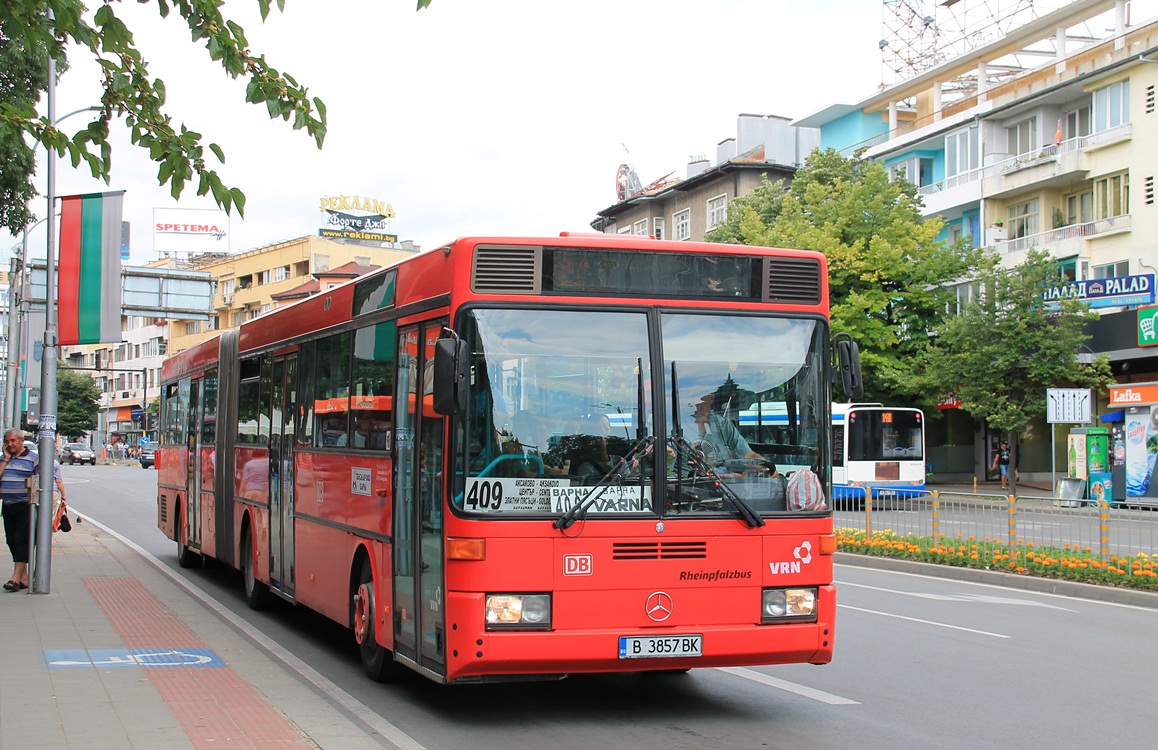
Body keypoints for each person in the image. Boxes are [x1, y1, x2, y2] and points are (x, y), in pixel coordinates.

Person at [1, 428, 38, 591]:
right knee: (11, 540)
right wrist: (5, 460)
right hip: (8, 504)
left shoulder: (33, 458)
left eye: (13, 441)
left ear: (21, 441)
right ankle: (24, 578)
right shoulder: (4, 459)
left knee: (21, 540)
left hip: (26, 505)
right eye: (7, 441)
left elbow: (40, 481)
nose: (10, 444)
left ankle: (15, 578)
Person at [689, 394, 762, 464]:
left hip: (730, 475)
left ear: (711, 398)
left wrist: (769, 468)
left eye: (701, 399)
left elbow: (747, 454)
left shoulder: (723, 424)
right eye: (694, 398)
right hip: (699, 476)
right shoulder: (682, 425)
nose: (697, 404)